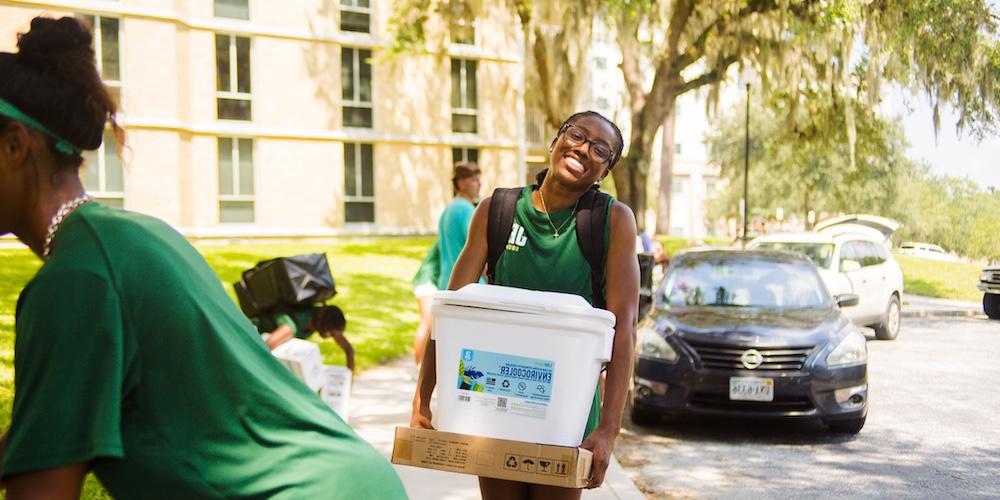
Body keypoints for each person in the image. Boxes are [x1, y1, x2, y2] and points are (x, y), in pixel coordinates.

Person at [0, 17, 405, 499]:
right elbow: (47, 428)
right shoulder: (135, 236)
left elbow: (42, 491)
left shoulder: (73, 281)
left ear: (15, 146)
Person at [411, 111, 639, 499]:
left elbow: (624, 328)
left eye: (600, 150)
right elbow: (450, 312)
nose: (583, 149)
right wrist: (422, 399)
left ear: (604, 171)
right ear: (556, 141)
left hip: (568, 411)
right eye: (577, 135)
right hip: (494, 402)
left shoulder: (612, 221)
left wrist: (608, 430)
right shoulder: (496, 210)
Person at [258, 304, 355, 372]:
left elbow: (348, 349)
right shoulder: (291, 326)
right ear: (326, 327)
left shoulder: (314, 318)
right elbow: (264, 348)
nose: (331, 337)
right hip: (253, 333)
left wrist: (349, 352)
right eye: (331, 334)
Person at [437, 161, 482, 290]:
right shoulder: (466, 209)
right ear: (461, 183)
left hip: (447, 283)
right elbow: (479, 250)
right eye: (474, 180)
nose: (479, 184)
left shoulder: (449, 208)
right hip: (466, 288)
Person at [412, 241, 441, 364]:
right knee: (427, 323)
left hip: (428, 281)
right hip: (427, 281)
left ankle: (419, 366)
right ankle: (418, 366)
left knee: (428, 324)